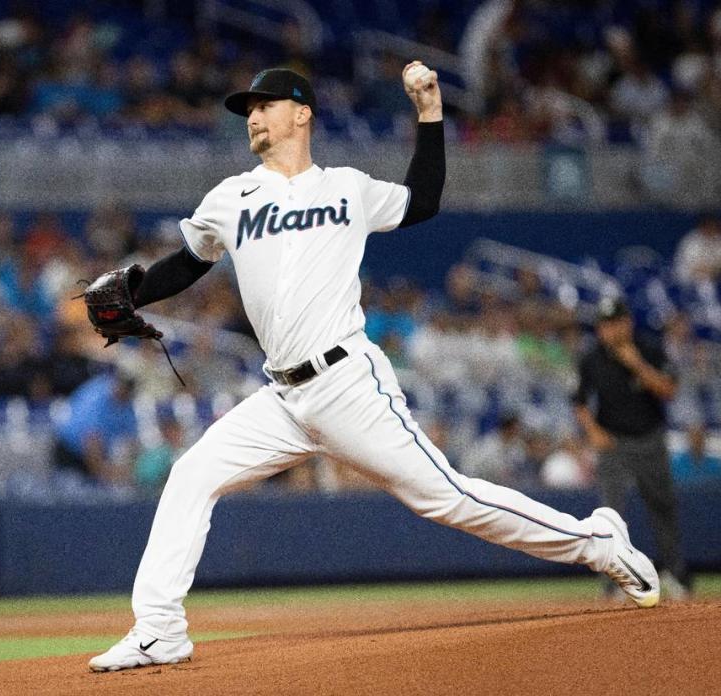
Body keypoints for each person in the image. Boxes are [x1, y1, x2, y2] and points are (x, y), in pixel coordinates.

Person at [88, 65, 660, 673]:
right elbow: (187, 264)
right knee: (192, 474)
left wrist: (431, 113)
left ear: (302, 113)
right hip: (281, 397)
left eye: (264, 104)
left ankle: (597, 541)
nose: (252, 116)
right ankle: (159, 630)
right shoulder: (231, 198)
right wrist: (135, 293)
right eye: (247, 109)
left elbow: (424, 199)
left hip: (347, 383)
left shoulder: (347, 189)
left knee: (448, 499)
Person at [574, 297, 691, 599]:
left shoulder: (649, 348)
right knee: (609, 514)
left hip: (649, 438)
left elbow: (669, 390)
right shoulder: (592, 357)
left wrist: (636, 363)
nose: (609, 331)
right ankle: (613, 581)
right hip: (613, 443)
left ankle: (675, 574)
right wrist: (593, 431)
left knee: (663, 507)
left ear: (628, 322)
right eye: (604, 325)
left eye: (615, 323)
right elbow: (579, 401)